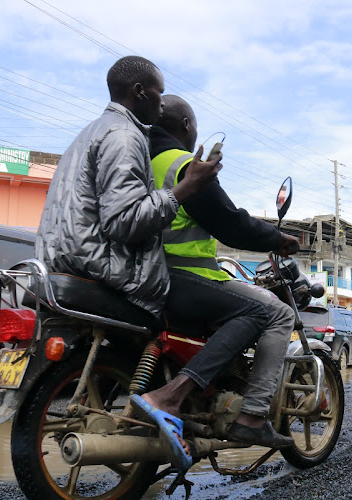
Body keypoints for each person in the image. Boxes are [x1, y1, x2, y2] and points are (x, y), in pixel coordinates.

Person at [134, 95, 300, 462]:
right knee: (275, 313)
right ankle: (252, 415)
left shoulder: (139, 161)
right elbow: (229, 221)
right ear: (187, 128)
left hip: (142, 277)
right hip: (182, 276)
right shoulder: (181, 163)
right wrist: (277, 239)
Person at [36, 56, 221, 317]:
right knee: (264, 313)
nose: (163, 103)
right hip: (107, 271)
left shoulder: (91, 133)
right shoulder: (124, 135)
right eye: (160, 92)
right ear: (140, 92)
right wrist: (187, 186)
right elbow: (125, 220)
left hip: (69, 264)